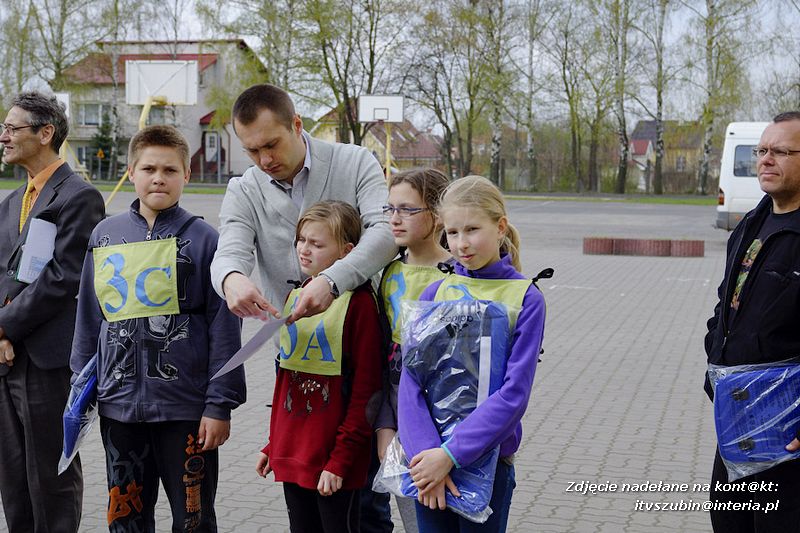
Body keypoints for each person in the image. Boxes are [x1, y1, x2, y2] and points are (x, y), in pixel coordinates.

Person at [70, 125, 246, 532]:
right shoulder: (105, 235)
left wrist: (219, 405)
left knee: (193, 520)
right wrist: (80, 389)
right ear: (131, 172)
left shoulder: (206, 241)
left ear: (186, 174)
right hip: (119, 408)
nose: (158, 178)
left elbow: (224, 328)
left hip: (185, 410)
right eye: (149, 169)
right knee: (125, 519)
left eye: (170, 170)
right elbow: (90, 317)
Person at [397, 175, 546, 532]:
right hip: (428, 463)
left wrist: (451, 455)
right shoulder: (435, 293)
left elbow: (514, 393)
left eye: (472, 229)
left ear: (500, 227)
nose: (461, 243)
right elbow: (411, 381)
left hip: (488, 461)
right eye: (452, 232)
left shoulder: (526, 298)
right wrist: (426, 456)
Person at [0, 91, 104, 533]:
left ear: (46, 133)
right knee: (13, 475)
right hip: (6, 358)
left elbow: (63, 277)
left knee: (49, 475)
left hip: (46, 358)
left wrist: (4, 327)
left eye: (12, 128)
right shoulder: (11, 201)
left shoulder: (80, 197)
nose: (3, 137)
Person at [210, 84, 396, 324]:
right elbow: (229, 252)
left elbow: (385, 232)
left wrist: (332, 280)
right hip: (291, 341)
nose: (265, 160)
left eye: (271, 145)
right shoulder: (243, 189)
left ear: (297, 125)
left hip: (360, 333)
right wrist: (231, 278)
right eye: (252, 151)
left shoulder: (357, 162)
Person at [256, 201, 383, 533]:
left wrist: (341, 460)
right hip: (293, 454)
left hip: (333, 462)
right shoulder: (296, 296)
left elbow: (366, 393)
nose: (304, 249)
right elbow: (286, 379)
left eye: (316, 243)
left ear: (347, 252)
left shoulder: (359, 304)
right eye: (301, 239)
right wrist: (274, 444)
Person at [704, 111, 800, 531]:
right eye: (762, 151)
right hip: (738, 418)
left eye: (781, 151)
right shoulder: (750, 224)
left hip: (789, 431)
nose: (765, 159)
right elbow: (727, 303)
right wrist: (715, 352)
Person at [366, 168, 453, 533]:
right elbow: (384, 361)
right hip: (402, 424)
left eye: (407, 209)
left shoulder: (457, 275)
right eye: (390, 209)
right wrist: (385, 425)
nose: (394, 218)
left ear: (437, 215)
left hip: (451, 427)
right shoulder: (388, 275)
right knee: (416, 521)